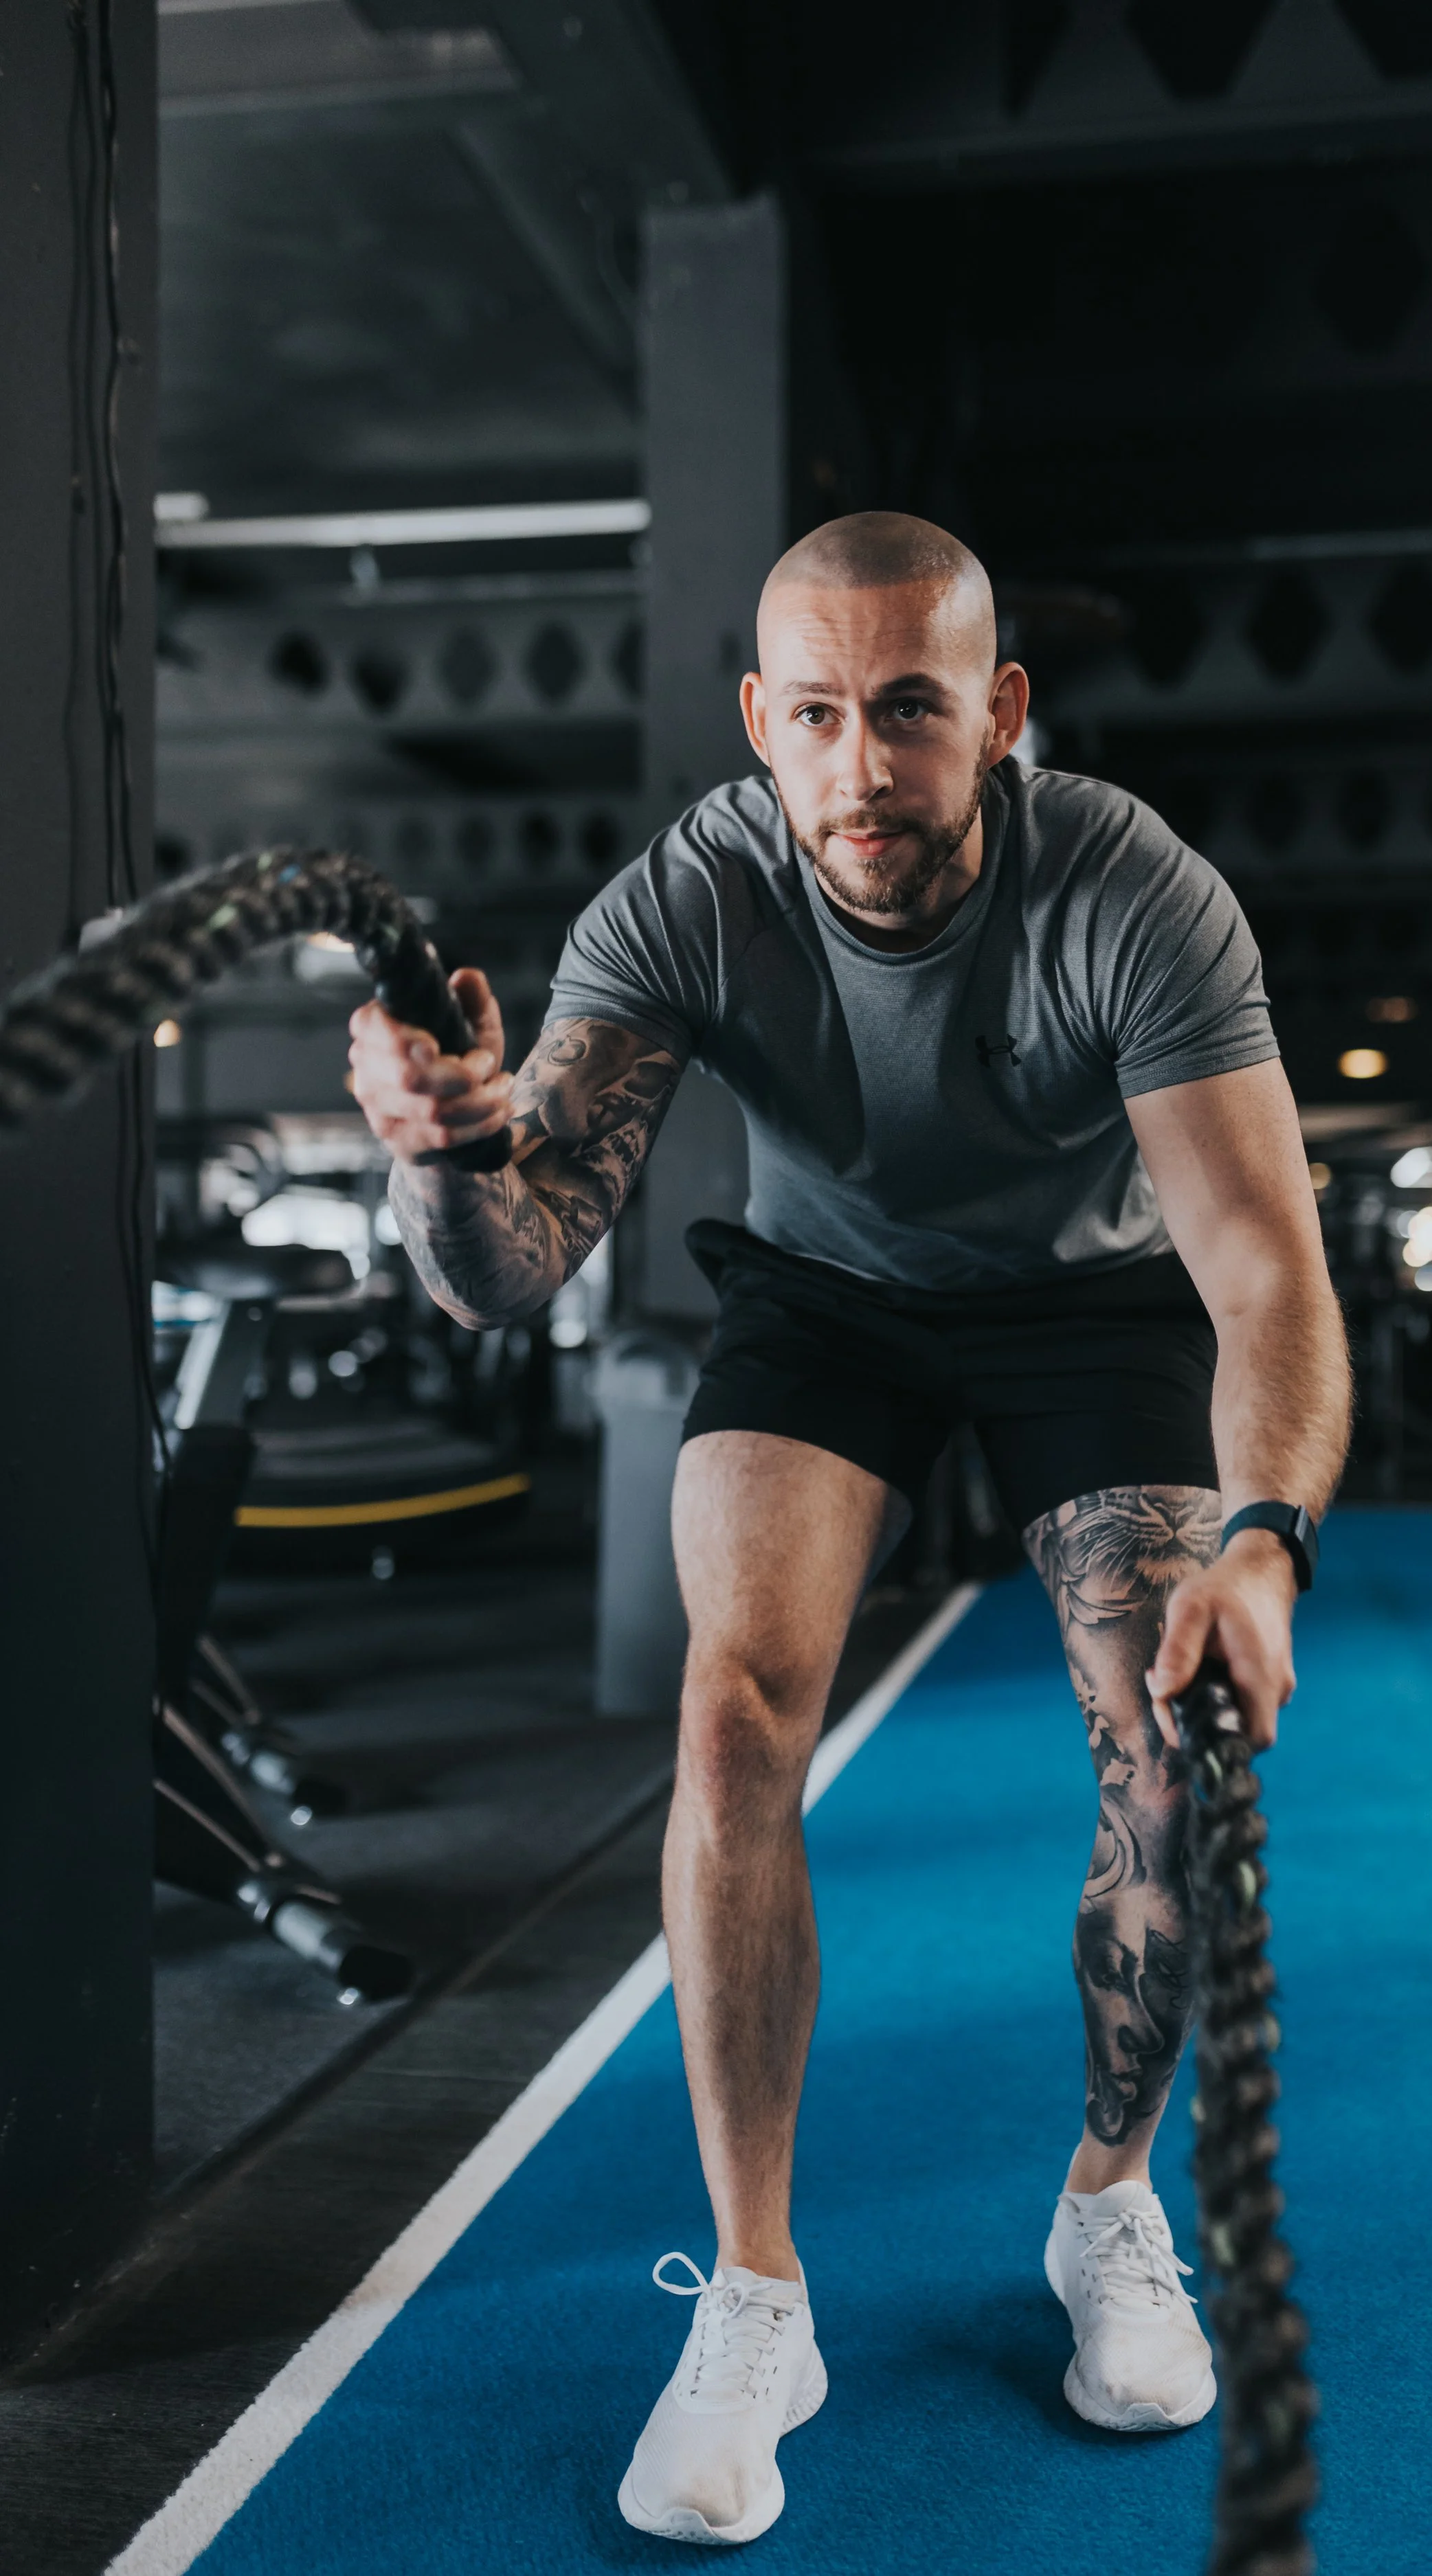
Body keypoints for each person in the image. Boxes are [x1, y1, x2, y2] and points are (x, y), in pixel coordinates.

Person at [348, 511, 1350, 2548]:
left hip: (1092, 1300)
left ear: (997, 710)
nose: (861, 764)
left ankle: (1105, 2211)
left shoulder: (1132, 891)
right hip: (825, 1300)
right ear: (759, 720)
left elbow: (1260, 1273)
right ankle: (755, 2296)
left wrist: (1261, 1540)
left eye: (908, 710)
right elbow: (509, 1266)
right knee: (732, 1722)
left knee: (1170, 1749)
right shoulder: (691, 896)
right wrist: (442, 1157)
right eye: (814, 714)